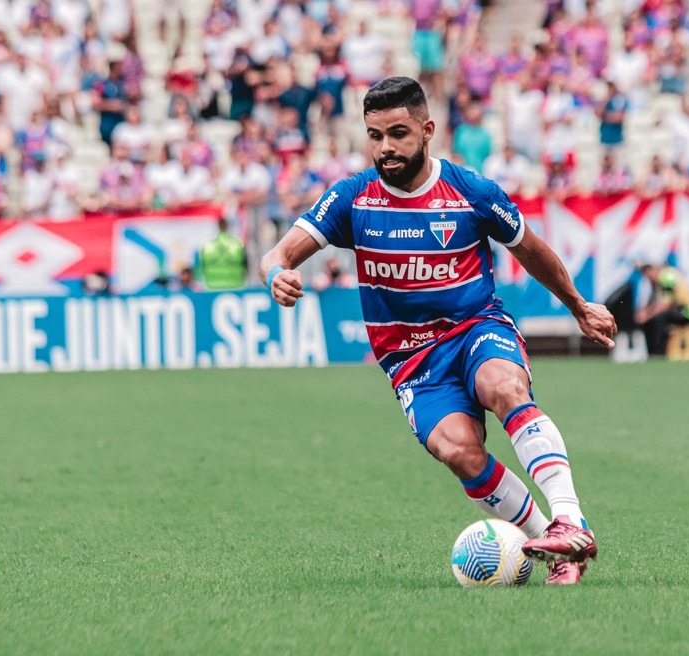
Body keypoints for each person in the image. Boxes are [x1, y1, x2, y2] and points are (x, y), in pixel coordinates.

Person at [260, 77, 616, 585]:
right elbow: (277, 253)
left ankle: (569, 517)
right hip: (412, 361)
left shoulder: (471, 192)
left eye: (399, 133)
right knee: (458, 450)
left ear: (427, 130)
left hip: (476, 328)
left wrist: (578, 306)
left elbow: (530, 249)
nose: (386, 148)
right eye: (376, 135)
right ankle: (561, 550)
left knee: (503, 386)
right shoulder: (352, 199)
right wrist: (278, 276)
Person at [635, 263, 689, 361]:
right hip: (679, 310)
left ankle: (658, 353)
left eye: (647, 273)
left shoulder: (667, 276)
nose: (647, 277)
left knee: (658, 320)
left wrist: (646, 316)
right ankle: (654, 352)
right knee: (655, 319)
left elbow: (664, 304)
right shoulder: (659, 280)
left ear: (652, 270)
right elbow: (655, 302)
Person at [200, 218, 247, 290]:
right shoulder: (237, 244)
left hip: (212, 287)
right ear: (227, 226)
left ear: (218, 227)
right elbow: (246, 265)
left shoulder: (207, 245)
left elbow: (202, 268)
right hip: (235, 286)